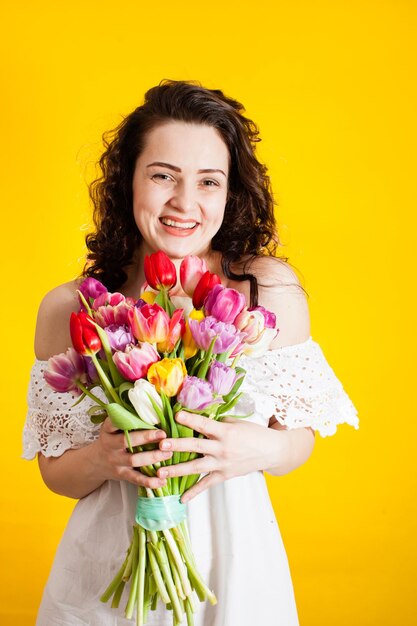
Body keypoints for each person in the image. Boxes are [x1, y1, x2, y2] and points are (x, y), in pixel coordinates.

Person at [23, 79, 359, 626]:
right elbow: (54, 471)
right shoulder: (73, 307)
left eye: (209, 182)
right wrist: (103, 459)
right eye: (163, 176)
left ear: (230, 193)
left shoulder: (266, 293)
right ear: (127, 181)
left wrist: (254, 449)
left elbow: (298, 439)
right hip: (106, 577)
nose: (185, 203)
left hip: (236, 567)